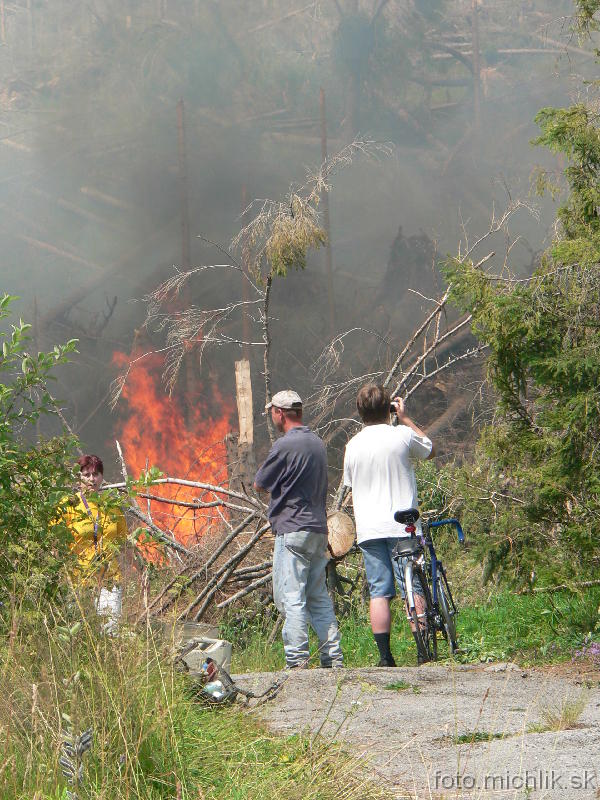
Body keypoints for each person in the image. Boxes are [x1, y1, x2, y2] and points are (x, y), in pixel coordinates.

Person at [342, 384, 434, 666]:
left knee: (379, 591)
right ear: (389, 409)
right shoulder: (402, 436)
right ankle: (423, 653)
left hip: (369, 530)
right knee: (413, 588)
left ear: (360, 413)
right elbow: (429, 450)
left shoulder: (352, 446)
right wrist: (405, 419)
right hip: (402, 526)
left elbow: (349, 484)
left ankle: (385, 657)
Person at [254, 390, 343, 669]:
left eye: (272, 412)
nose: (272, 416)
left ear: (280, 413)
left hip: (292, 530)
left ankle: (296, 660)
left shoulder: (285, 445)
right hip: (318, 529)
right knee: (317, 595)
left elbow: (260, 483)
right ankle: (333, 657)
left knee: (290, 596)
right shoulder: (317, 443)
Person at [63, 454, 128, 633]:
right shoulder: (68, 505)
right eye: (87, 474)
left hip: (109, 579)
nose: (92, 479)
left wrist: (141, 569)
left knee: (110, 632)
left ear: (102, 477)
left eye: (96, 474)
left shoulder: (112, 506)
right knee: (80, 633)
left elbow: (123, 542)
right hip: (79, 579)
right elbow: (55, 544)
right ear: (79, 477)